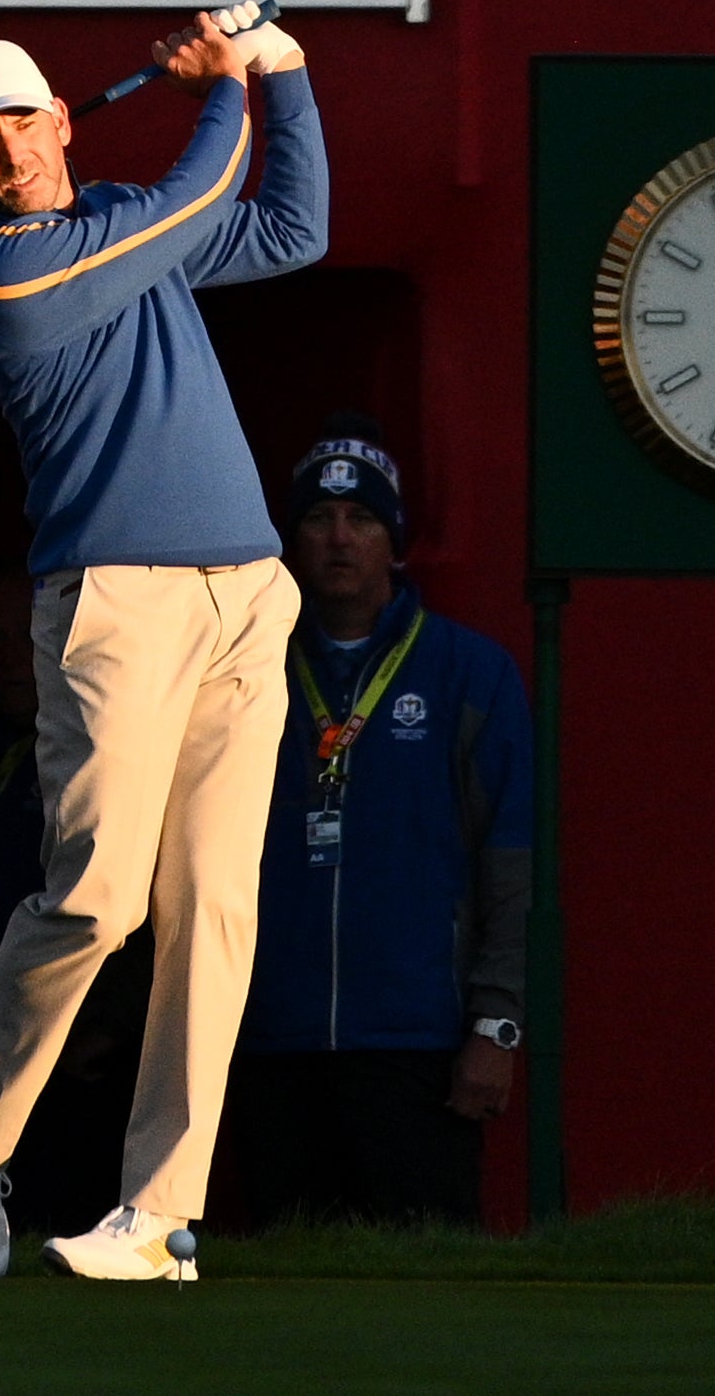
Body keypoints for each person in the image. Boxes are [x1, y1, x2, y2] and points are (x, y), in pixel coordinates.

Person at [0, 2, 325, 1281]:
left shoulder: (122, 236)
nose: (4, 151)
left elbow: (293, 227)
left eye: (19, 121)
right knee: (92, 896)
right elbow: (207, 178)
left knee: (211, 903)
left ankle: (159, 1212)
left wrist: (289, 77)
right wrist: (226, 78)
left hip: (246, 593)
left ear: (58, 121)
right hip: (110, 605)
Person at [232, 418, 534, 1226]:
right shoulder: (242, 670)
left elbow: (510, 866)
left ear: (393, 540)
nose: (338, 538)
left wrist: (495, 1025)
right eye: (317, 519)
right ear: (291, 538)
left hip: (416, 1043)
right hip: (267, 1039)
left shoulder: (469, 672)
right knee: (279, 1292)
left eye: (361, 519)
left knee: (425, 1294)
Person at [0, 571, 149, 1236]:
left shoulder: (100, 752)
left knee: (61, 1238)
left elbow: (145, 898)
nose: (4, 658)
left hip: (74, 1067)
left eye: (19, 638)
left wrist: (105, 1020)